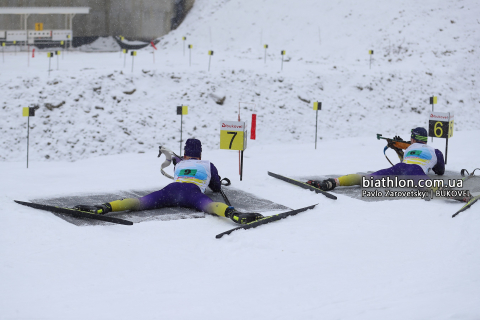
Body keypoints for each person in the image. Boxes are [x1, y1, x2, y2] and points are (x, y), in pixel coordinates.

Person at [74, 139, 263, 224]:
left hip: (172, 189)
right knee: (211, 205)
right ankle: (234, 214)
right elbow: (215, 187)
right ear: (200, 154)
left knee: (141, 202)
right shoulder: (207, 164)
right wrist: (217, 180)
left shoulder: (179, 165)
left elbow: (178, 164)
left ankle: (105, 207)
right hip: (192, 193)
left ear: (185, 153)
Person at [307, 127, 446, 191]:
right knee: (433, 188)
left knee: (365, 179)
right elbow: (440, 171)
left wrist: (398, 150)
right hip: (415, 171)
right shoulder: (435, 152)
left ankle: (333, 182)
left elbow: (405, 162)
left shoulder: (409, 148)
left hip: (398, 169)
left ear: (413, 139)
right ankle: (460, 195)